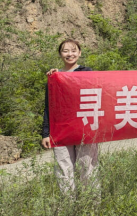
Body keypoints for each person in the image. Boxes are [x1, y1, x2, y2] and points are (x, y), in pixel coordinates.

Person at [42, 39, 98, 195]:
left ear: (79, 53)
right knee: (63, 169)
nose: (70, 54)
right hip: (60, 129)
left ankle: (91, 204)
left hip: (84, 127)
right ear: (60, 54)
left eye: (73, 50)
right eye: (65, 51)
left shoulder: (87, 72)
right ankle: (69, 206)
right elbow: (49, 106)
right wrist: (46, 133)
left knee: (88, 168)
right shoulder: (54, 78)